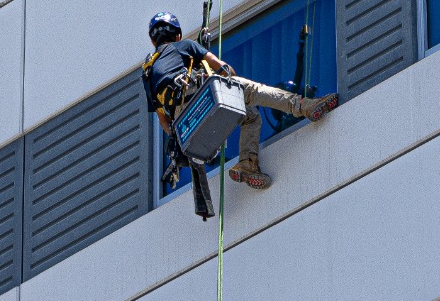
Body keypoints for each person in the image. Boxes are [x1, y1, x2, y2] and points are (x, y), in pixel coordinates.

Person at [142, 12, 338, 201]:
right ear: (177, 35)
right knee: (253, 91)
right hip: (198, 93)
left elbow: (164, 121)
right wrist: (229, 82)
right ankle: (304, 106)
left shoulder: (148, 73)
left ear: (153, 41)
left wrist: (183, 134)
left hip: (185, 119)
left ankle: (247, 164)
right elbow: (223, 68)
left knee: (251, 115)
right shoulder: (184, 45)